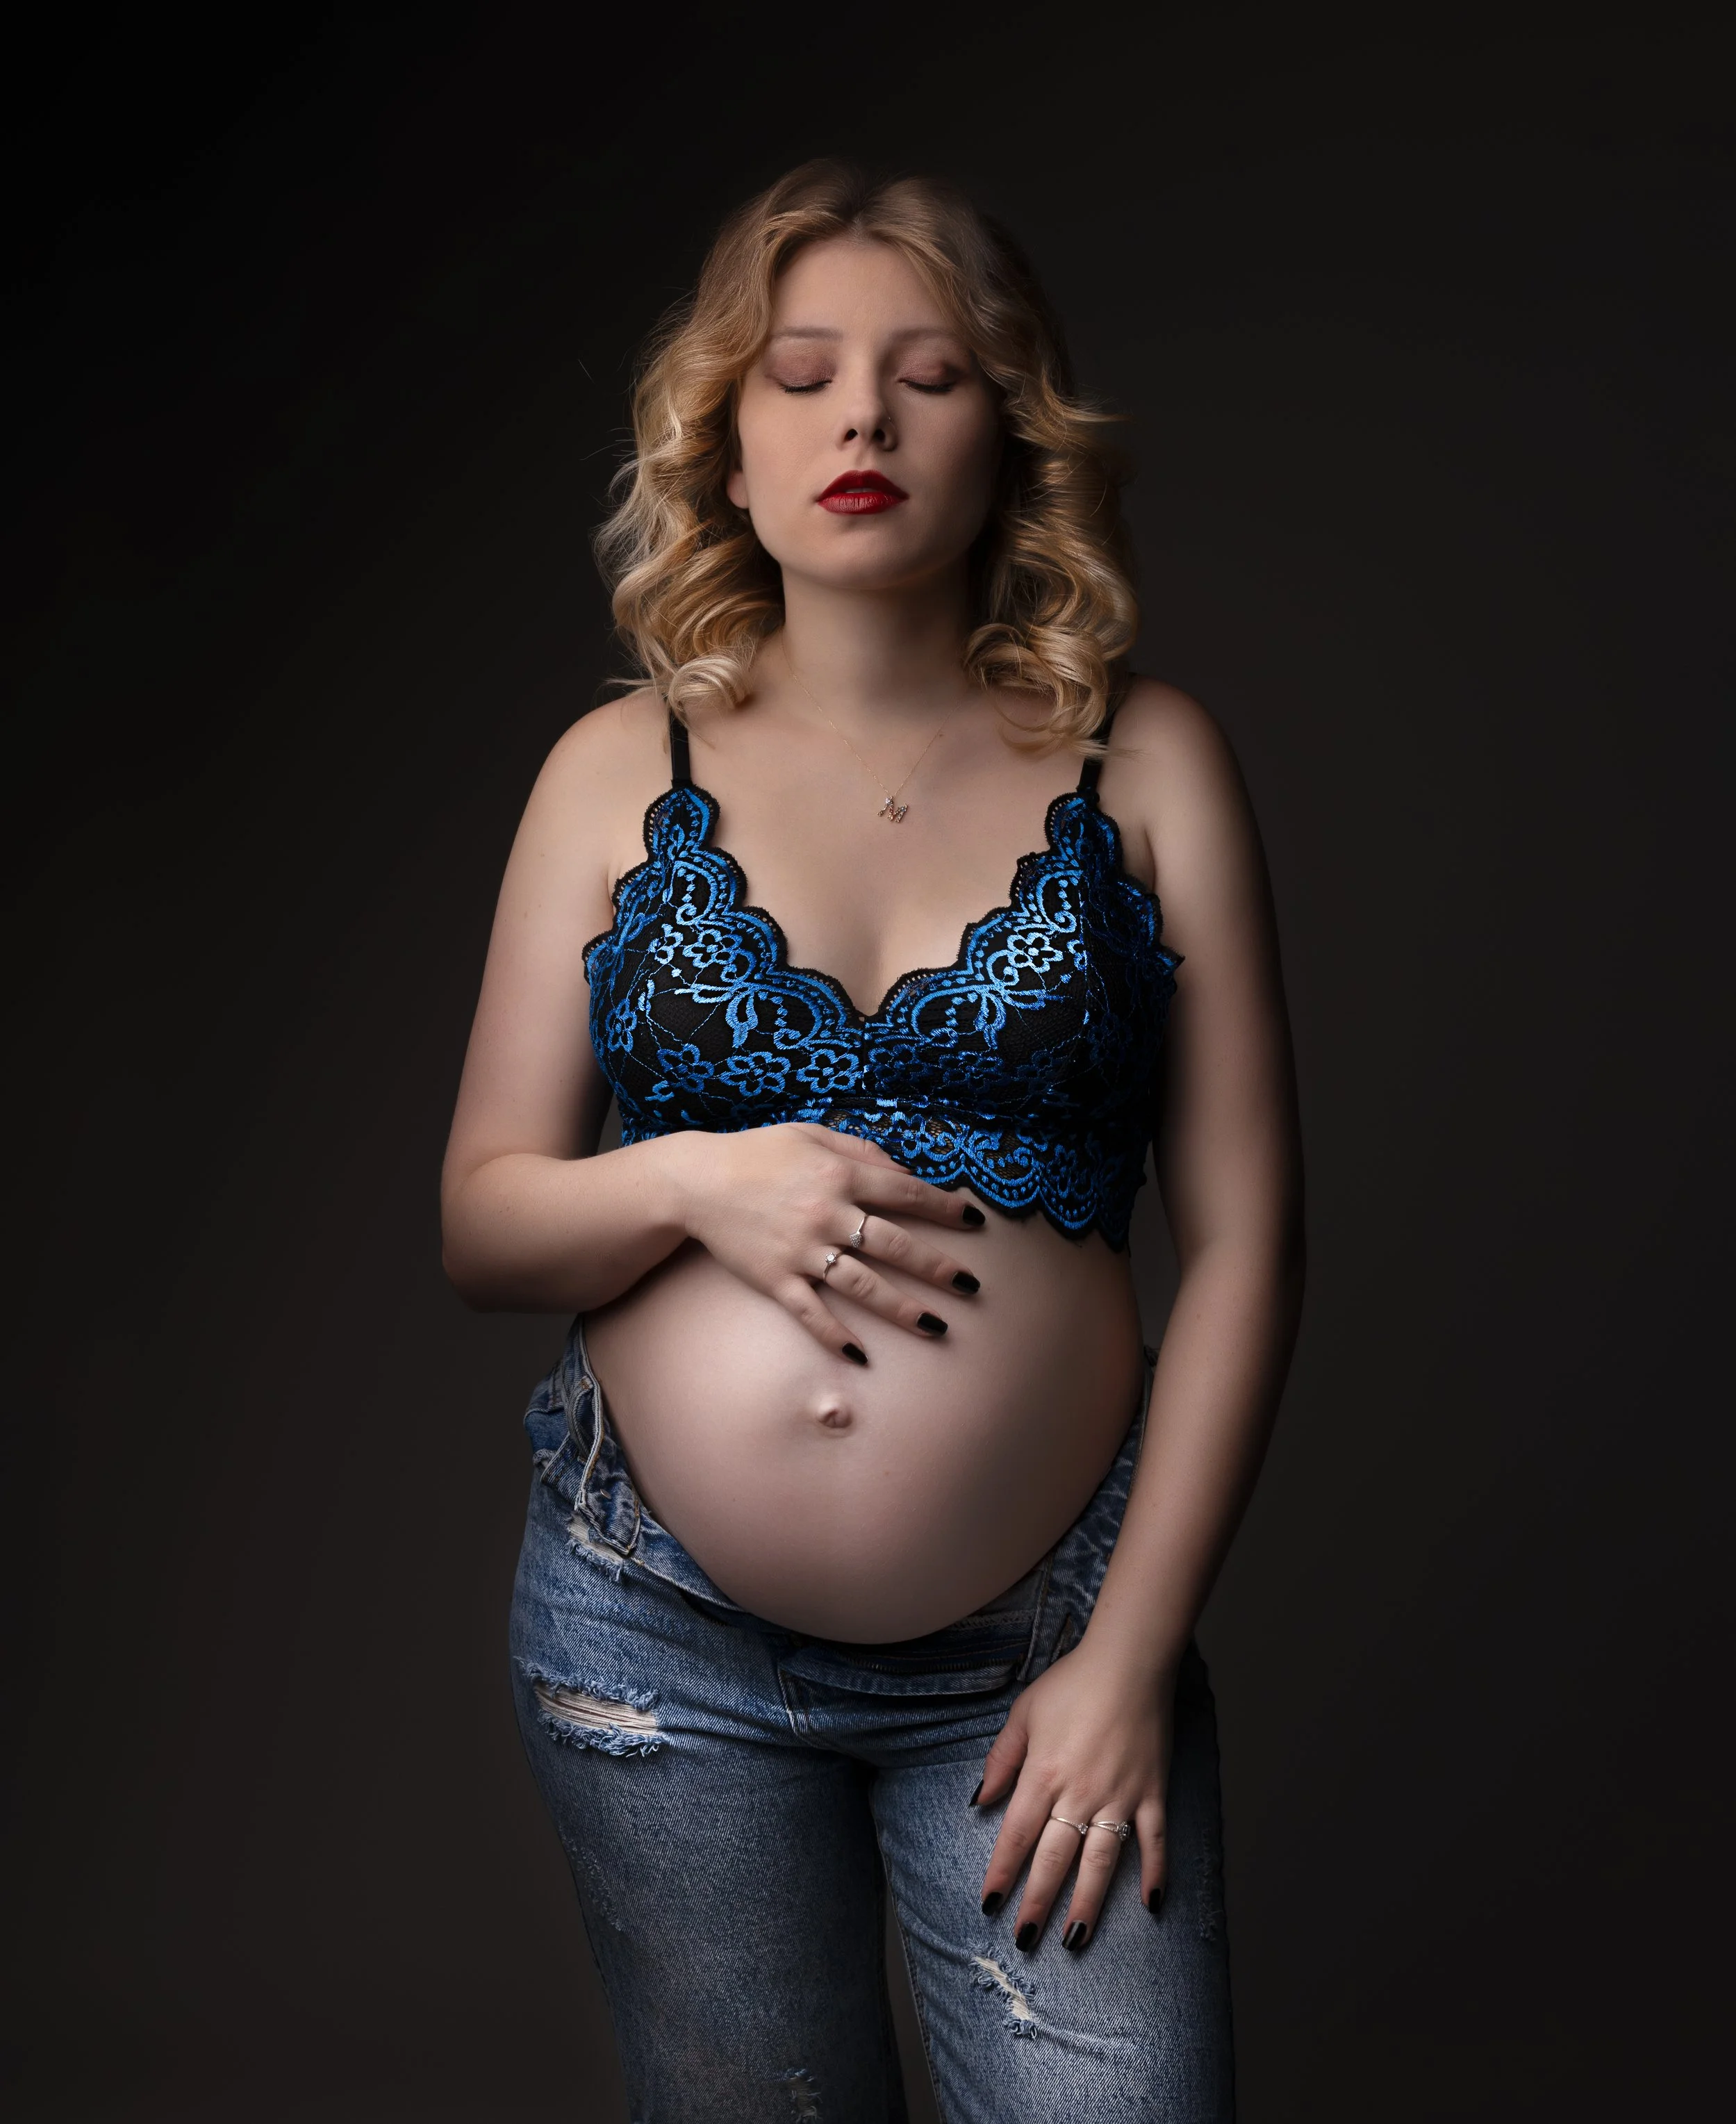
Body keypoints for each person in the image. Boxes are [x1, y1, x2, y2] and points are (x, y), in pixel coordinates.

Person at [440, 160, 1302, 2123]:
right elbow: (483, 1223)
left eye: (929, 377)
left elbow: (1251, 1240)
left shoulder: (1148, 762)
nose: (864, 422)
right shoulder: (611, 773)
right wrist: (693, 1178)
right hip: (653, 1636)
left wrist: (1132, 1656)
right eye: (804, 373)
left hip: (1047, 1644)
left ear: (1011, 432)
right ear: (724, 445)